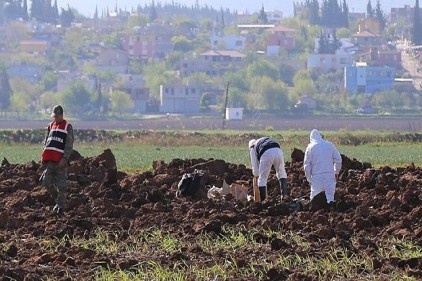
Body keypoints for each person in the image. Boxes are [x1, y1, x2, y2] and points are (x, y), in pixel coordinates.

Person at [41, 105, 74, 214]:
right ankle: (58, 200)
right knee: (46, 182)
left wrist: (65, 158)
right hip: (50, 161)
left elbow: (69, 145)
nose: (55, 118)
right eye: (54, 116)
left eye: (57, 116)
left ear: (61, 115)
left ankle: (60, 207)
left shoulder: (67, 126)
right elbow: (47, 142)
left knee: (62, 186)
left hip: (61, 162)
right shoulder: (51, 126)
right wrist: (43, 156)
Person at [304, 129, 342, 210]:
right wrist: (336, 172)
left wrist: (309, 179)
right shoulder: (329, 145)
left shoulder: (310, 147)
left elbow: (306, 165)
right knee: (330, 198)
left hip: (317, 177)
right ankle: (332, 215)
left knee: (315, 201)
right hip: (330, 176)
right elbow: (338, 160)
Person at [249, 137, 288, 202]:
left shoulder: (252, 147)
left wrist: (256, 175)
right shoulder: (263, 140)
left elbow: (255, 169)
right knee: (282, 173)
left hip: (266, 153)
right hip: (278, 150)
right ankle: (284, 198)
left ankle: (264, 202)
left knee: (262, 179)